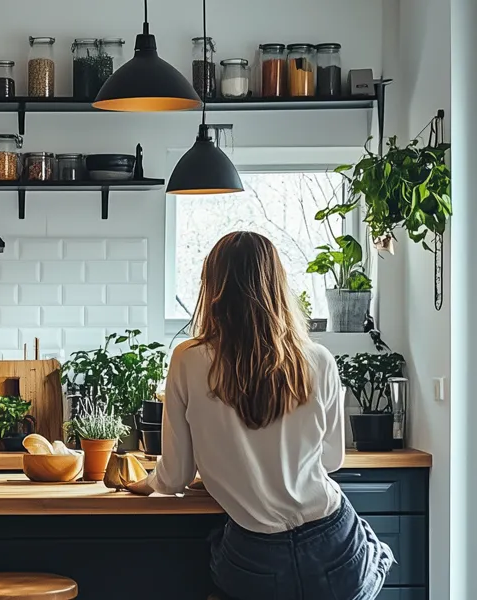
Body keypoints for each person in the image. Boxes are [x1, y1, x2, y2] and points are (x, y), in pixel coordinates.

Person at [127, 231, 393, 600]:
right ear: (278, 285)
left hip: (256, 555)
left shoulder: (189, 358)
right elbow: (331, 461)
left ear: (213, 287)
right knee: (381, 555)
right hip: (334, 539)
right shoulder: (318, 359)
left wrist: (150, 481)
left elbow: (175, 477)